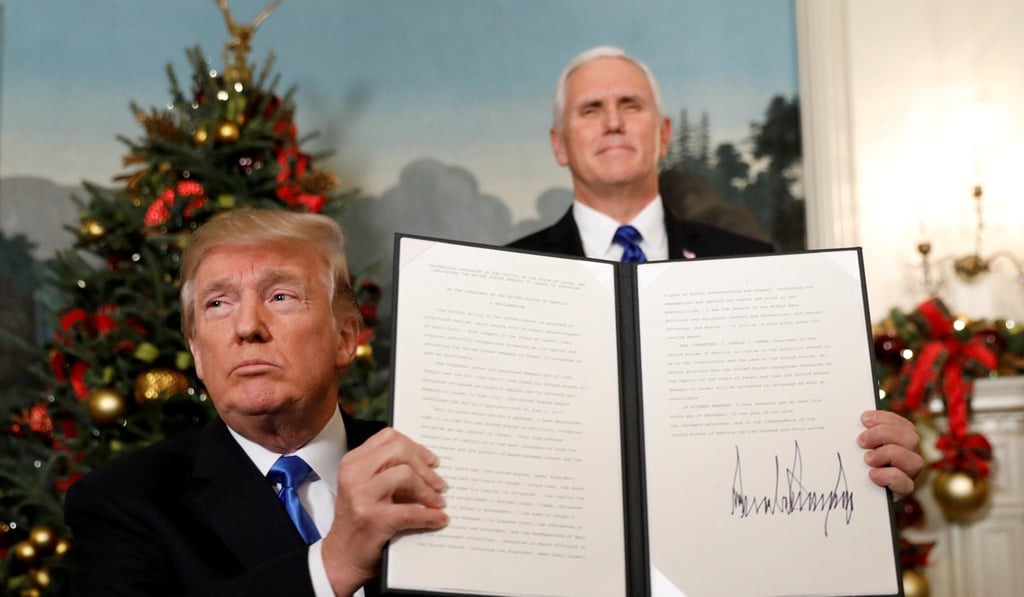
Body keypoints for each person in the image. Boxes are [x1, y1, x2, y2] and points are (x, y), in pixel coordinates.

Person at [509, 45, 923, 499]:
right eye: (591, 109)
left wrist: (868, 454)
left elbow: (791, 414)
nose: (613, 122)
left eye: (630, 105)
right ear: (558, 144)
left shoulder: (750, 264)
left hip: (723, 518)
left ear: (664, 136)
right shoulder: (507, 280)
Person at [65, 208, 448, 597]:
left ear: (345, 337)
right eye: (218, 304)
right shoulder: (123, 500)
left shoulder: (428, 465)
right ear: (197, 353)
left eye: (281, 296)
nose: (247, 326)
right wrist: (334, 565)